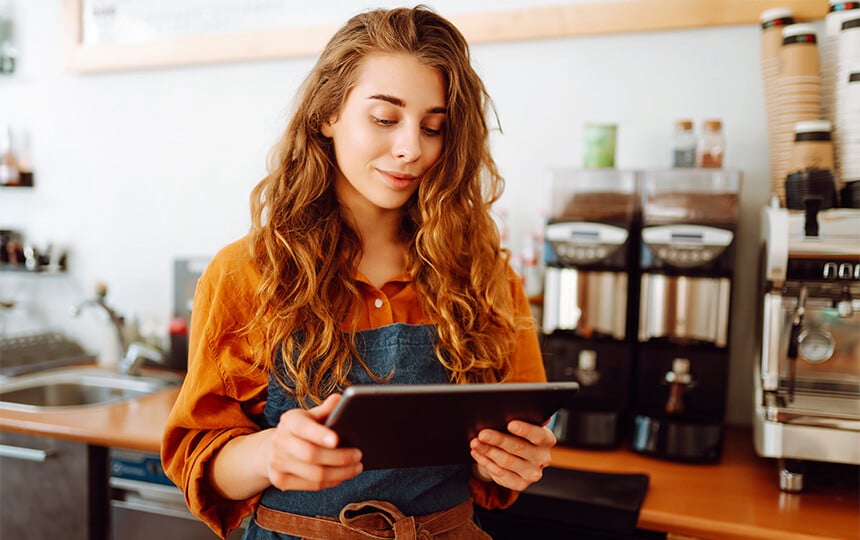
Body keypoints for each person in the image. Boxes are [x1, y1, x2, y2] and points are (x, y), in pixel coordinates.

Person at [161, 6, 555, 539]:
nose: (411, 148)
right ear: (328, 114)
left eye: (434, 127)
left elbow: (508, 443)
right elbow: (199, 460)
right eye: (385, 118)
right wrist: (270, 452)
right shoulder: (245, 273)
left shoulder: (485, 275)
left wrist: (504, 461)